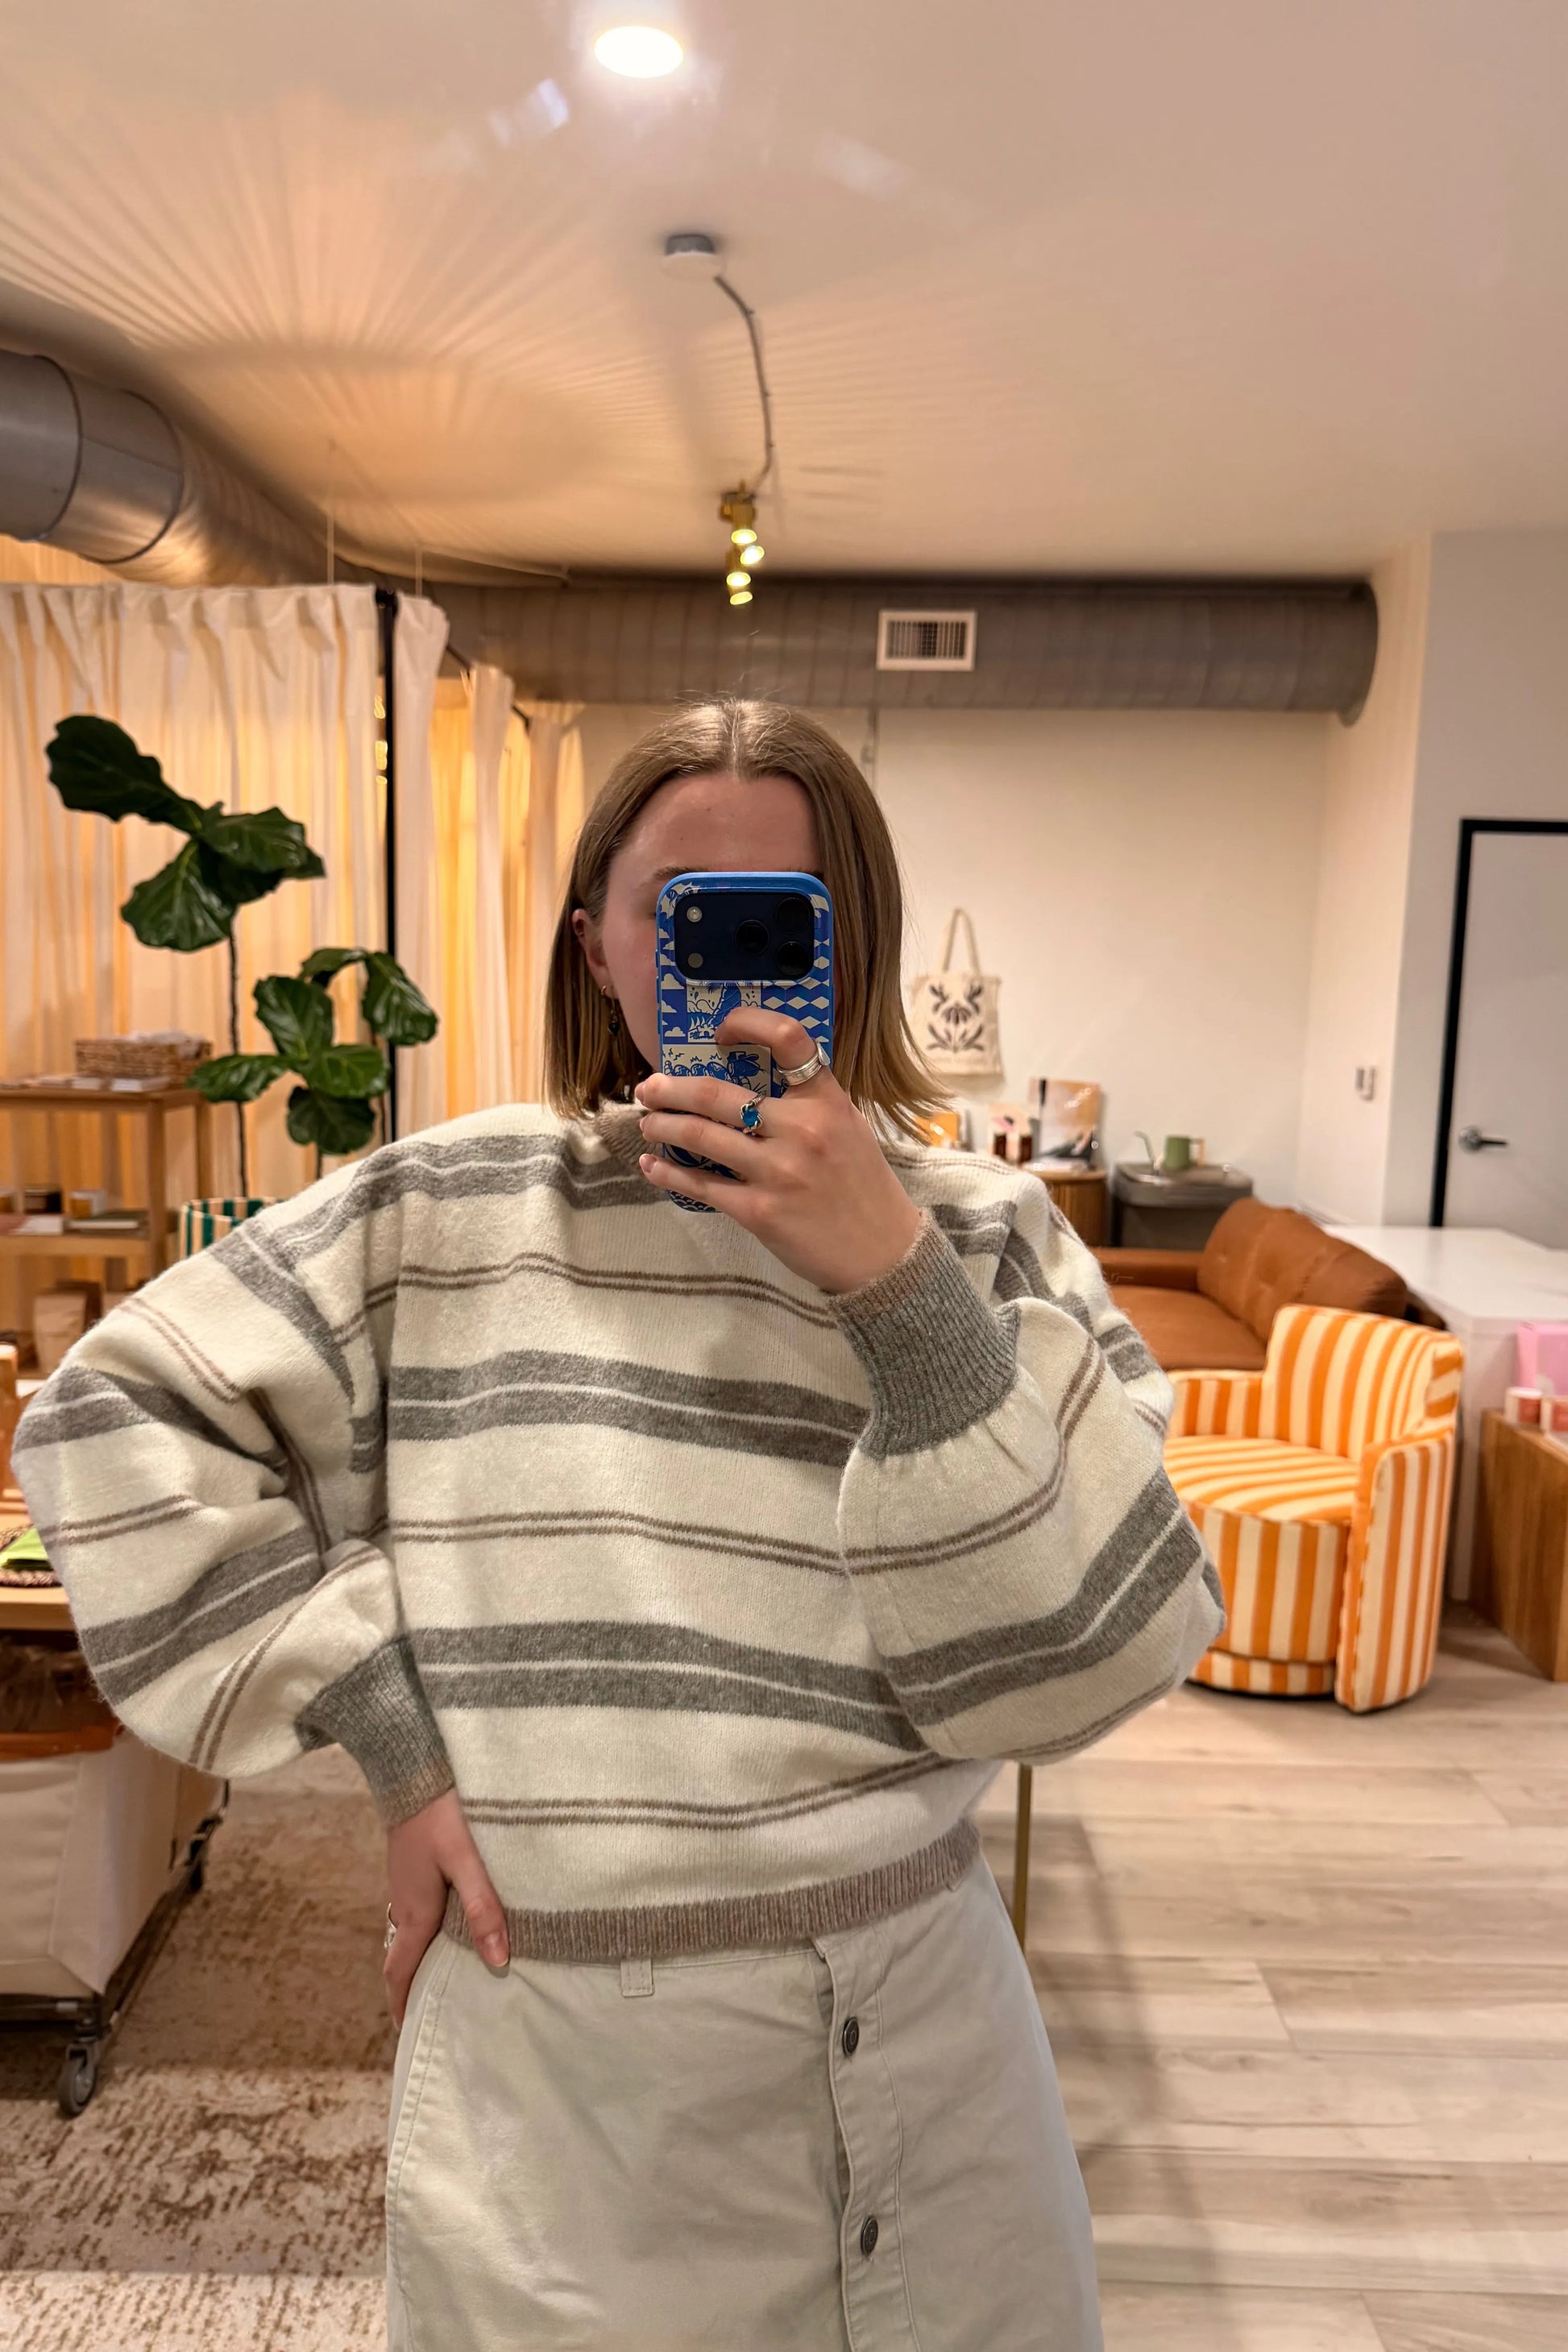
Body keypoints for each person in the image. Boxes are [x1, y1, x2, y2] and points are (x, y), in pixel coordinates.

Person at [16, 699, 1223, 2352]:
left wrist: (898, 1288)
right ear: (596, 945)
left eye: (784, 916)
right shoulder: (448, 1210)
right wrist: (388, 1735)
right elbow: (113, 1416)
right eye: (683, 911)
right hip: (567, 2067)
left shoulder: (986, 1236)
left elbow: (1087, 1662)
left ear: (849, 945)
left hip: (927, 2043)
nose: (732, 967)